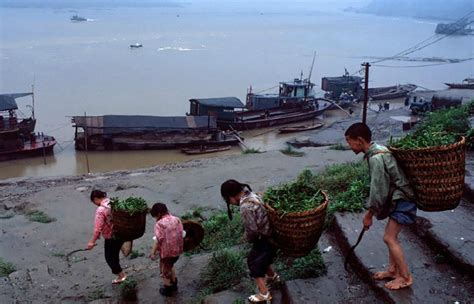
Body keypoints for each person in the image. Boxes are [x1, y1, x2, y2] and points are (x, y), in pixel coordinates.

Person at [344, 123, 416, 290]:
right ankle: (392, 270)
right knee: (390, 237)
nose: (349, 146)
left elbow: (378, 191)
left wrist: (369, 215)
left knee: (389, 238)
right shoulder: (378, 149)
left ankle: (405, 277)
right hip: (399, 199)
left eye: (349, 142)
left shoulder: (376, 158)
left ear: (360, 140)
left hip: (403, 200)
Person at [220, 180, 279, 303]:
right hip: (272, 234)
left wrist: (247, 239)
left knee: (253, 262)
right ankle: (273, 277)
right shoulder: (252, 195)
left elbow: (252, 229)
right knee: (263, 258)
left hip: (264, 238)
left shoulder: (245, 207)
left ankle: (264, 294)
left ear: (231, 196)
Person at [87, 190, 127, 284]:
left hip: (111, 237)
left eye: (94, 202)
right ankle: (121, 274)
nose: (95, 204)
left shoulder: (101, 209)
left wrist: (92, 242)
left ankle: (122, 276)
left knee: (109, 258)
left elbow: (98, 228)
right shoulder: (113, 202)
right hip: (122, 233)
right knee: (114, 255)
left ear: (96, 199)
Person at [149, 203, 183, 297]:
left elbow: (158, 240)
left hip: (166, 253)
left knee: (165, 270)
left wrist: (153, 253)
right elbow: (182, 233)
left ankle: (168, 288)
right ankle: (174, 283)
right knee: (171, 265)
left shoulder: (159, 224)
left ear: (159, 214)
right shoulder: (176, 219)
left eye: (155, 215)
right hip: (177, 251)